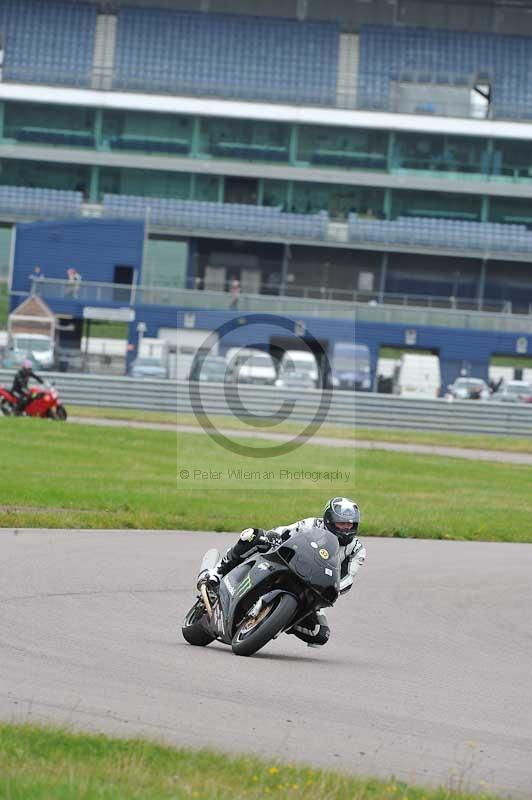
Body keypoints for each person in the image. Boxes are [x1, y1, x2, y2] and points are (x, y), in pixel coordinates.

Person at [197, 497, 366, 648]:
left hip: (315, 586)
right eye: (341, 523)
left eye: (350, 525)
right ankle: (217, 572)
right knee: (251, 536)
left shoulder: (357, 550)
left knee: (320, 634)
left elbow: (348, 578)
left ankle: (279, 620)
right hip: (292, 565)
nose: (345, 528)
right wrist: (273, 537)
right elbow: (286, 531)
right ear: (329, 520)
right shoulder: (312, 524)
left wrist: (333, 589)